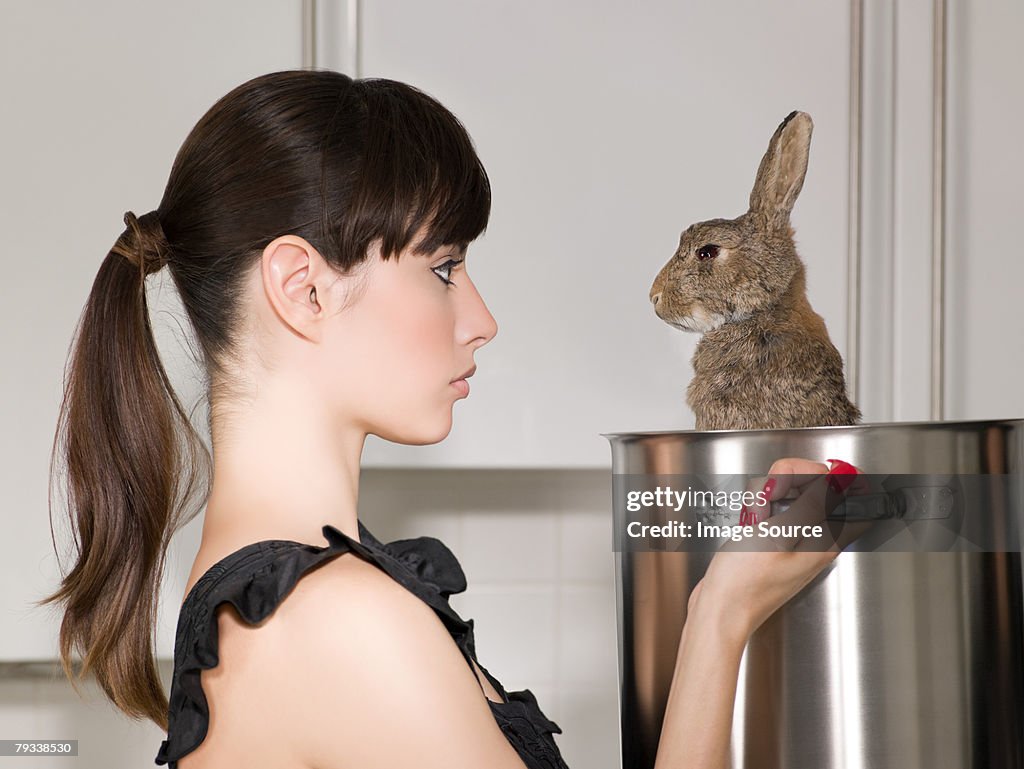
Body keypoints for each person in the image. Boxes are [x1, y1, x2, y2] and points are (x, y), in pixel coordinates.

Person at [40, 69, 863, 769]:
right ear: (303, 288)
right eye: (444, 267)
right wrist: (723, 616)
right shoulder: (338, 621)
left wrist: (722, 604)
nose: (481, 317)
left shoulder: (291, 598)